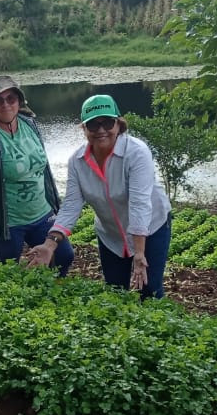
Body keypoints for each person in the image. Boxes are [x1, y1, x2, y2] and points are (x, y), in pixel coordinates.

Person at [26, 93, 172, 299]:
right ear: (84, 129)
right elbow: (71, 206)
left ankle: (156, 329)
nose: (101, 130)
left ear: (119, 125)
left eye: (108, 123)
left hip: (150, 229)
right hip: (110, 234)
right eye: (93, 125)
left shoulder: (136, 152)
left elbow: (140, 203)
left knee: (149, 290)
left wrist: (139, 253)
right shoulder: (77, 161)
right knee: (115, 291)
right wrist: (50, 245)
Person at [0, 75, 74, 275]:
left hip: (42, 213)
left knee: (63, 256)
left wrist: (56, 207)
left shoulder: (30, 125)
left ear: (19, 101)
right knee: (7, 271)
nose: (5, 104)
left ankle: (52, 298)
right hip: (7, 223)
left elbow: (43, 169)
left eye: (10, 98)